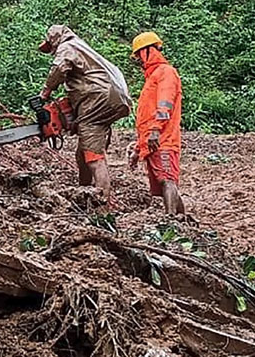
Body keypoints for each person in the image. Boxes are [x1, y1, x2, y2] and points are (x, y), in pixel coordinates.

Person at [38, 24, 131, 207]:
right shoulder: (85, 49)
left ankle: (103, 206)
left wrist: (45, 92)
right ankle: (84, 192)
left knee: (93, 157)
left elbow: (59, 69)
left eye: (51, 46)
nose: (52, 52)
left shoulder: (68, 46)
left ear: (55, 39)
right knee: (82, 153)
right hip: (111, 98)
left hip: (97, 100)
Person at [129, 31, 186, 216]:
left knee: (167, 181)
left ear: (147, 51)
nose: (138, 60)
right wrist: (139, 148)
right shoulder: (151, 78)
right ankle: (182, 219)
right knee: (163, 184)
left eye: (138, 55)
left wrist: (155, 130)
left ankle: (171, 220)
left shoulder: (165, 73)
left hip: (163, 140)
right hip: (153, 141)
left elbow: (165, 103)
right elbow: (146, 118)